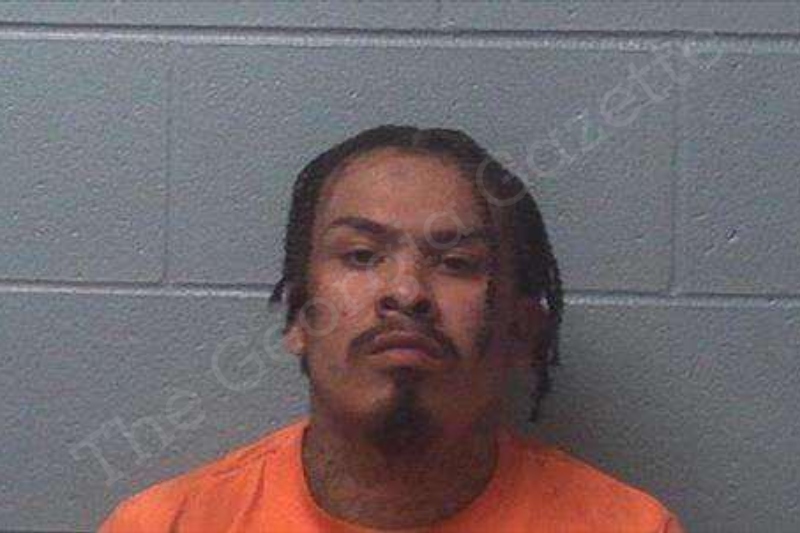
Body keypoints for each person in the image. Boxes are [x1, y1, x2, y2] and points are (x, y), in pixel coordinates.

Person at [100, 125, 684, 532]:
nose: (406, 292)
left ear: (521, 329)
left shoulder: (629, 528)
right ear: (300, 316)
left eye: (456, 262)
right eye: (361, 256)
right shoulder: (168, 526)